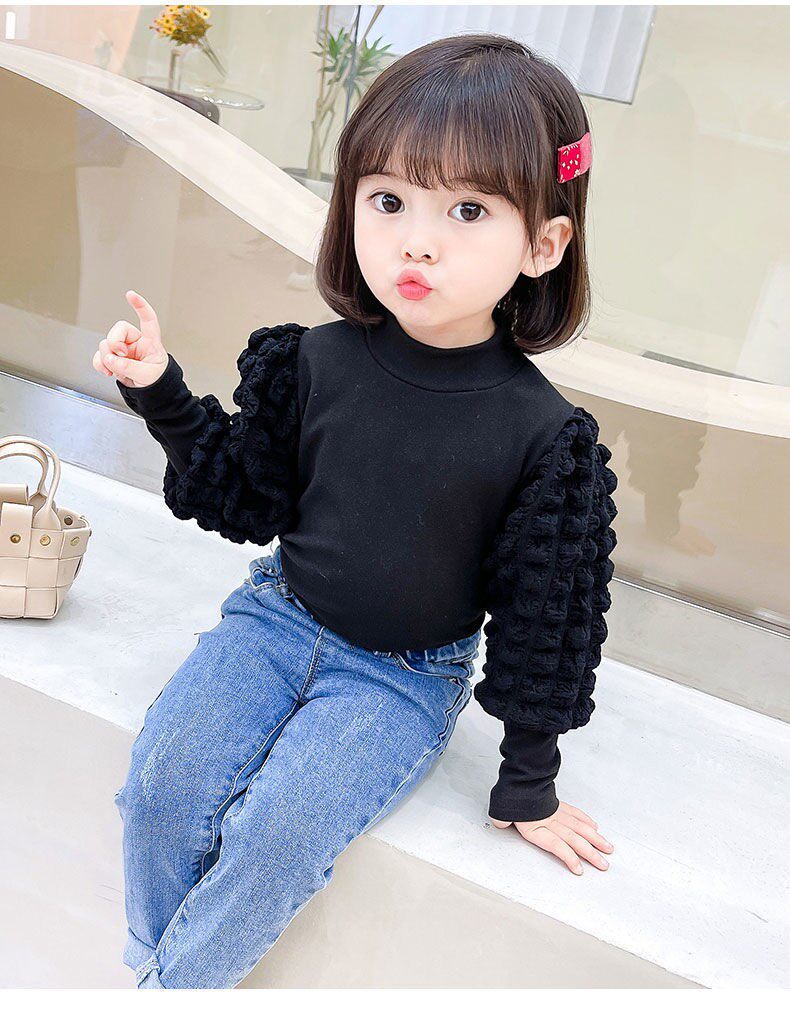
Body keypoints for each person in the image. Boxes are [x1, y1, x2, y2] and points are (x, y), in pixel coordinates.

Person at [96, 33, 619, 989]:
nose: (417, 240)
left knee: (275, 837)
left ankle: (161, 994)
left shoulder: (547, 436)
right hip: (274, 619)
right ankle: (161, 981)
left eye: (468, 210)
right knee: (160, 790)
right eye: (388, 201)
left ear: (544, 244)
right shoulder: (313, 360)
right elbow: (244, 492)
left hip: (401, 678)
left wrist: (528, 782)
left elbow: (547, 623)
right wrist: (161, 390)